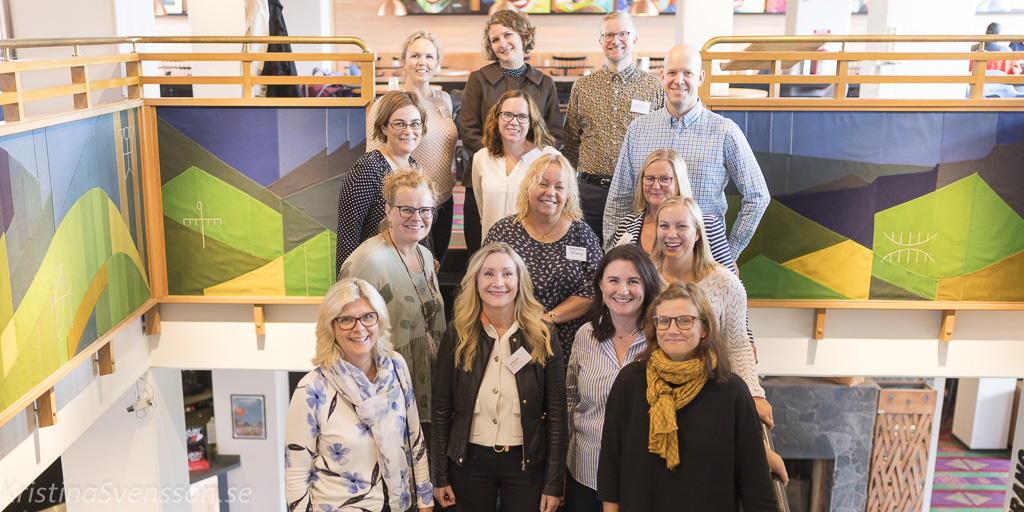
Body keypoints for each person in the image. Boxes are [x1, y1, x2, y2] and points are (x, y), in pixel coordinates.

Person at [596, 282, 776, 511]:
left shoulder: (732, 392)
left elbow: (755, 481)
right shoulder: (629, 382)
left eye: (684, 320)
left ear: (705, 328)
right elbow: (611, 465)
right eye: (663, 320)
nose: (672, 330)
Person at [651, 196, 788, 482]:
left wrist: (754, 394)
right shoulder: (646, 277)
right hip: (656, 390)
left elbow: (737, 344)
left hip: (709, 391)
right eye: (664, 225)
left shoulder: (725, 282)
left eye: (681, 226)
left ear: (697, 233)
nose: (671, 234)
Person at [431, 242, 566, 512]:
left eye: (507, 273)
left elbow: (557, 414)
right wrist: (440, 475)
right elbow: (441, 410)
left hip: (526, 465)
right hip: (469, 463)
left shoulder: (542, 335)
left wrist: (553, 482)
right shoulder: (457, 334)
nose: (498, 282)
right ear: (476, 282)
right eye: (488, 274)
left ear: (519, 281)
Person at [602, 44, 769, 260]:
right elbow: (619, 198)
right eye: (672, 72)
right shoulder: (638, 130)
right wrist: (613, 256)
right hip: (645, 257)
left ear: (700, 77)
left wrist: (729, 252)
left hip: (703, 257)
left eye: (687, 73)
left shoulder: (724, 131)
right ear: (662, 76)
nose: (678, 80)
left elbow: (758, 196)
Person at [285, 278, 432, 512]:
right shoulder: (311, 389)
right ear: (331, 327)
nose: (359, 327)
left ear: (379, 320)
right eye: (346, 320)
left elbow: (414, 438)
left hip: (400, 506)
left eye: (367, 316)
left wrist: (425, 500)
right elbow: (296, 475)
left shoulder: (396, 367)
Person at [338, 169, 445, 425]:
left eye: (425, 210)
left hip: (427, 392)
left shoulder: (425, 256)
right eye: (406, 209)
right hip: (386, 399)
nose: (417, 218)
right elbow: (342, 335)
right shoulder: (368, 261)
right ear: (388, 211)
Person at [565, 244, 662, 512]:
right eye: (614, 281)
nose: (623, 290)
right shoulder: (585, 335)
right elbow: (570, 402)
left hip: (643, 478)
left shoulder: (662, 339)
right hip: (586, 475)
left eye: (633, 281)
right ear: (600, 285)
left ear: (647, 286)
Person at [461, 9, 564, 254]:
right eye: (495, 39)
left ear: (523, 36)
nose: (502, 43)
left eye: (508, 35)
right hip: (487, 179)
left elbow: (554, 135)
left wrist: (526, 162)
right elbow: (469, 130)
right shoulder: (478, 80)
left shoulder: (545, 83)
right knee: (482, 252)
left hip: (533, 181)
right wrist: (498, 162)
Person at [483, 153, 603, 361]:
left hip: (569, 344)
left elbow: (596, 288)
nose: (551, 192)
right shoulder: (503, 231)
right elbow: (482, 280)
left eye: (559, 187)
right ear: (529, 186)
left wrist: (549, 319)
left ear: (568, 194)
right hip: (511, 336)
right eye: (543, 184)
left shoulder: (582, 234)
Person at [562, 10, 664, 239]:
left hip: (635, 193)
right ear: (600, 41)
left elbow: (661, 143)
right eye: (608, 35)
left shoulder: (653, 88)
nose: (615, 40)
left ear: (634, 39)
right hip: (588, 193)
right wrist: (567, 187)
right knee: (586, 254)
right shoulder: (583, 87)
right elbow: (570, 142)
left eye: (623, 34)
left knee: (631, 255)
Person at [366, 31, 458, 264]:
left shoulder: (444, 100)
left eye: (429, 56)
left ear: (437, 63)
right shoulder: (385, 104)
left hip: (443, 201)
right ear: (403, 61)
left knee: (435, 270)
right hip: (409, 207)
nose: (422, 62)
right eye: (415, 55)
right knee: (408, 270)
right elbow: (375, 162)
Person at [336, 90, 426, 269]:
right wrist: (349, 283)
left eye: (415, 123)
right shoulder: (368, 168)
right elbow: (348, 236)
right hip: (374, 273)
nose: (408, 131)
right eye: (399, 124)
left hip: (409, 271)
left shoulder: (414, 167)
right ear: (383, 127)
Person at [609, 149, 735, 271]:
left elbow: (729, 282)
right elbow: (613, 272)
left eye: (665, 179)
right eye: (650, 178)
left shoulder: (708, 226)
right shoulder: (627, 223)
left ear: (680, 182)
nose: (656, 186)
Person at [473, 89, 559, 239]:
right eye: (507, 114)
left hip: (532, 246)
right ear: (497, 118)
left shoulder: (548, 158)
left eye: (522, 116)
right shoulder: (481, 158)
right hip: (493, 246)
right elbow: (482, 209)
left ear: (531, 122)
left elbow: (560, 210)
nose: (514, 122)